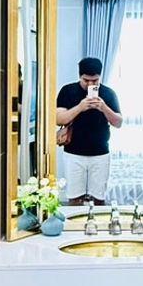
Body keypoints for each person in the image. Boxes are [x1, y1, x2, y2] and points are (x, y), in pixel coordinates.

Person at [56, 55, 122, 204]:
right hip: (73, 153)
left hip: (100, 154)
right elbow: (58, 119)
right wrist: (80, 107)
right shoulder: (68, 91)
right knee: (74, 198)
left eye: (95, 81)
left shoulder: (108, 93)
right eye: (86, 80)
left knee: (99, 199)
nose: (90, 84)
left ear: (100, 77)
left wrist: (104, 107)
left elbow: (118, 123)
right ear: (80, 76)